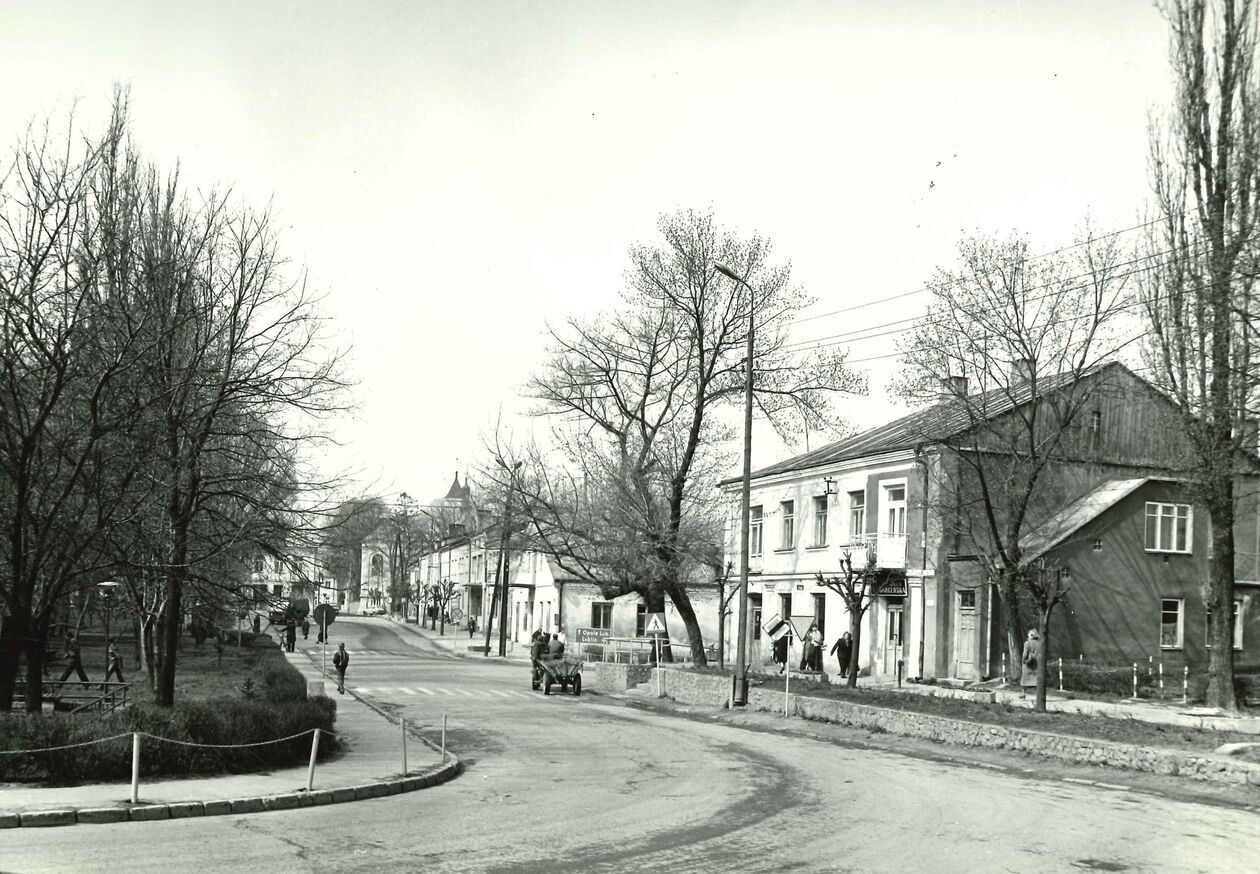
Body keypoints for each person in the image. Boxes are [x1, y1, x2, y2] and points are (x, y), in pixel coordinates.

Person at [1020, 628, 1042, 699]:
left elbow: (1025, 654)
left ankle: (1023, 693)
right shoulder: (1040, 643)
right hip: (1037, 664)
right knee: (1036, 680)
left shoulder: (1027, 643)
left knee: (1024, 679)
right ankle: (1038, 696)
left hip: (1029, 664)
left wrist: (1023, 660)